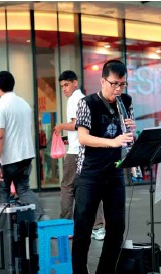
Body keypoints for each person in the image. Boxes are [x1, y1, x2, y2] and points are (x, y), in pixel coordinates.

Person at [71, 60, 136, 274]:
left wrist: (131, 130)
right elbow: (83, 138)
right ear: (102, 81)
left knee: (117, 226)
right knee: (83, 227)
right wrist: (113, 141)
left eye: (122, 84)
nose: (118, 89)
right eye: (114, 84)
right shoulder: (86, 103)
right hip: (89, 173)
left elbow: (129, 137)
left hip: (114, 171)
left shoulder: (126, 102)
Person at [0, 70, 49, 221]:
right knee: (23, 189)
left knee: (3, 192)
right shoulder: (24, 104)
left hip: (9, 158)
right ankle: (42, 217)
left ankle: (6, 227)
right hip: (26, 156)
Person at [55, 70, 105, 240]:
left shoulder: (74, 99)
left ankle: (65, 225)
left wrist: (61, 126)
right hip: (86, 150)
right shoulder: (86, 99)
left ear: (75, 83)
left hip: (76, 152)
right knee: (91, 188)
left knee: (67, 188)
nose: (64, 89)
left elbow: (76, 124)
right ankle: (98, 227)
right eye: (62, 86)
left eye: (66, 85)